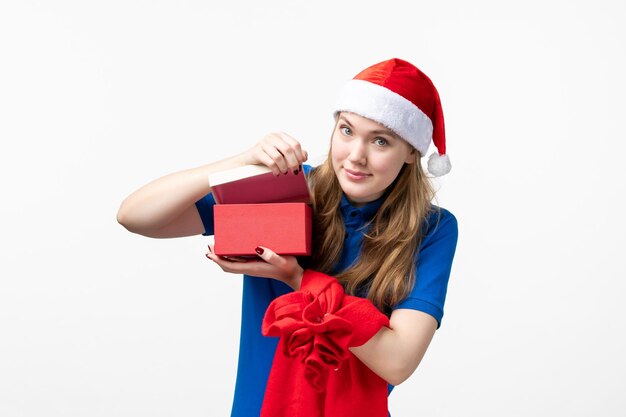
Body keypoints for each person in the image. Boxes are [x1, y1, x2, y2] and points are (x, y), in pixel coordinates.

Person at [117, 58, 458, 417]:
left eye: (380, 141)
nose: (356, 156)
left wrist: (296, 278)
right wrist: (242, 162)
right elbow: (136, 216)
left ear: (410, 153)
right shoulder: (290, 188)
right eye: (346, 131)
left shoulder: (432, 229)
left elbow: (397, 362)